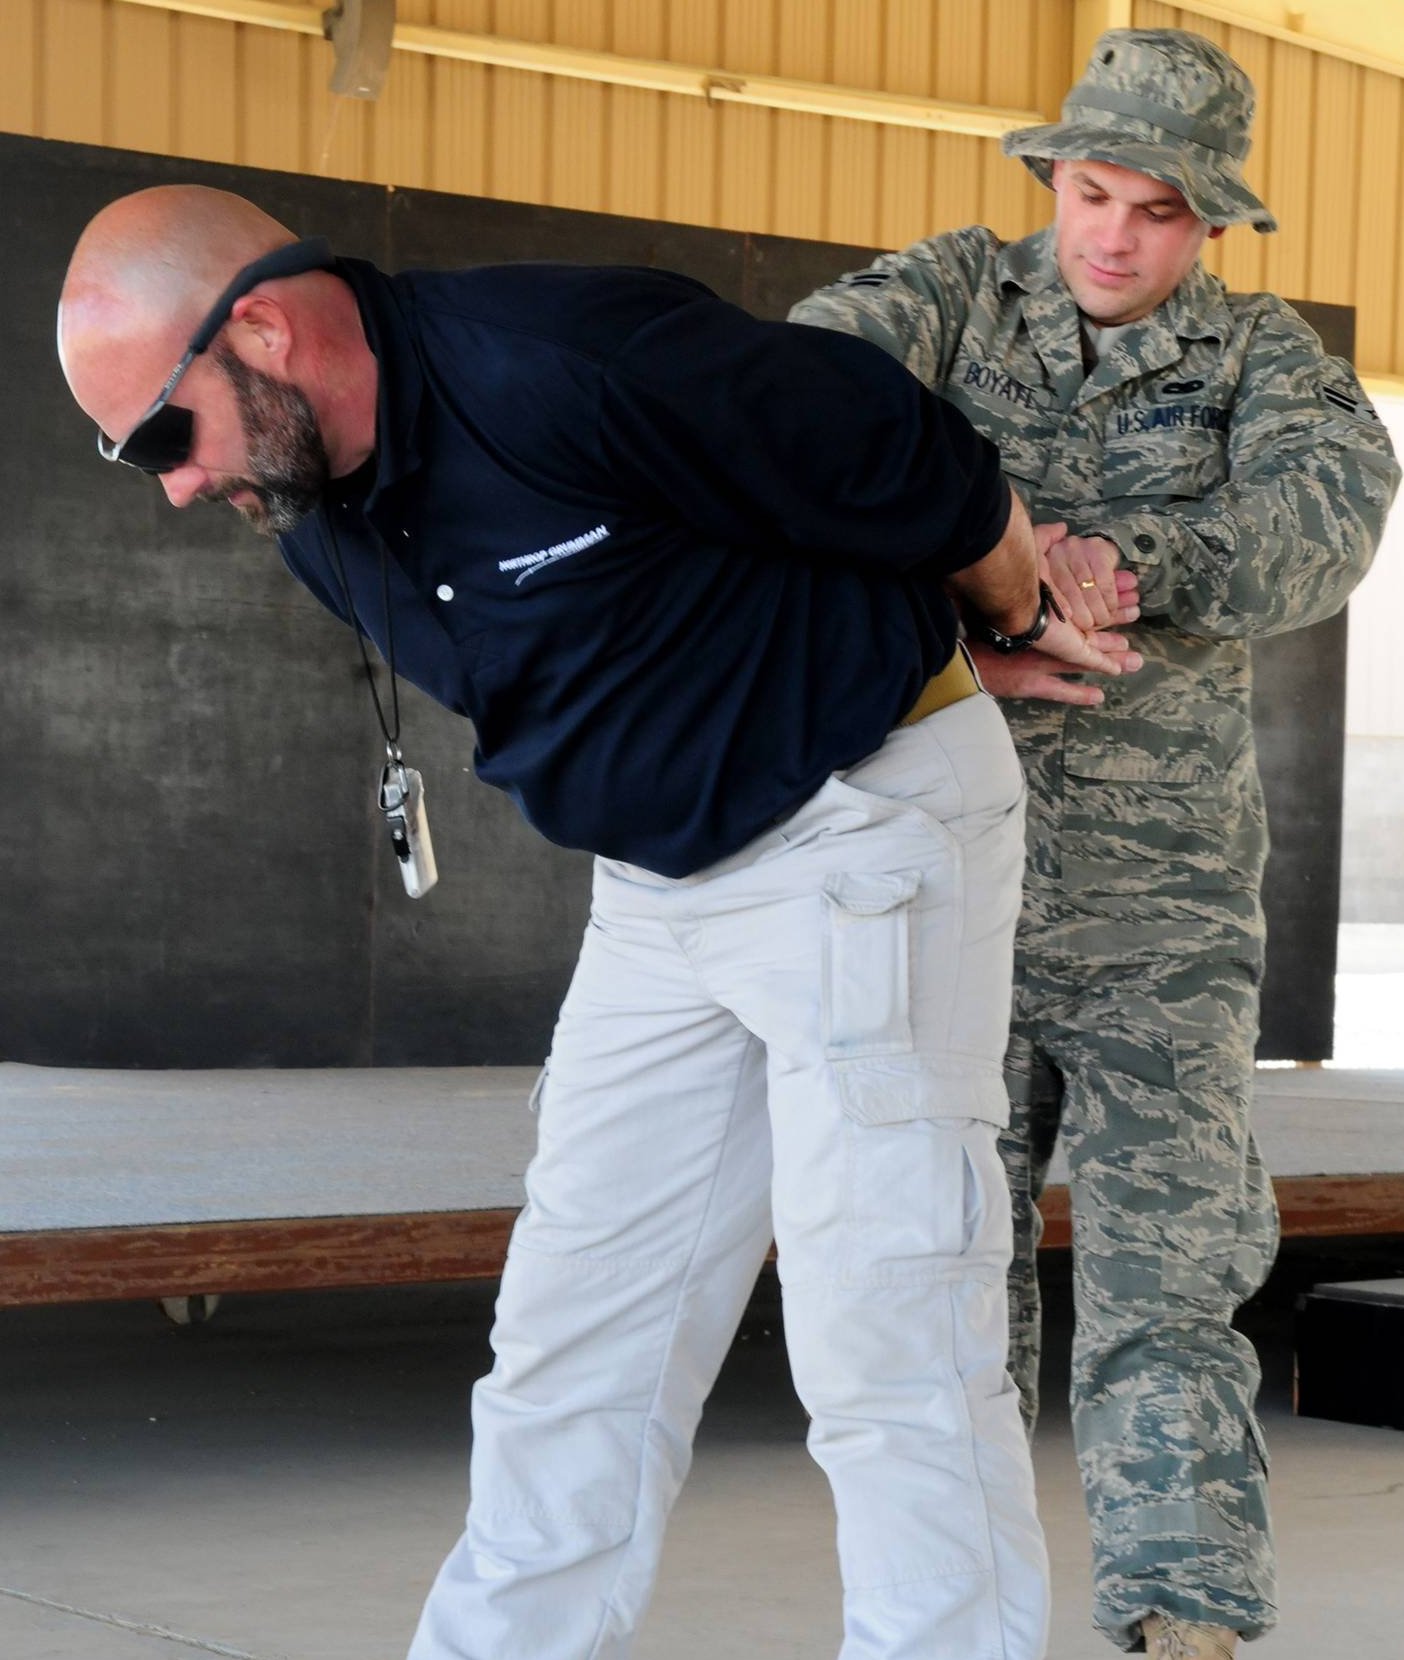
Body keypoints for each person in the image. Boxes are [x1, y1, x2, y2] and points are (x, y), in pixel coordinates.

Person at [58, 184, 1132, 1659]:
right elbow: (622, 636)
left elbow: (909, 462)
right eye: (134, 461)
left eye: (165, 437)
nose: (174, 488)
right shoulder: (317, 518)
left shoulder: (567, 355)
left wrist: (1001, 616)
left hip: (857, 823)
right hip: (655, 894)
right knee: (574, 1339)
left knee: (888, 1329)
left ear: (263, 328)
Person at [792, 26, 1400, 1660]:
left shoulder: (1263, 354)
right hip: (938, 887)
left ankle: (1182, 1618)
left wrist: (1126, 553)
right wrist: (984, 552)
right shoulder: (944, 299)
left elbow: (1332, 514)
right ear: (1051, 178)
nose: (1111, 234)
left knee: (1168, 1283)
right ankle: (945, 1617)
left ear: (1212, 224)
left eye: (1153, 209)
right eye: (1089, 191)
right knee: (939, 1280)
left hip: (1164, 914)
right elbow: (788, 403)